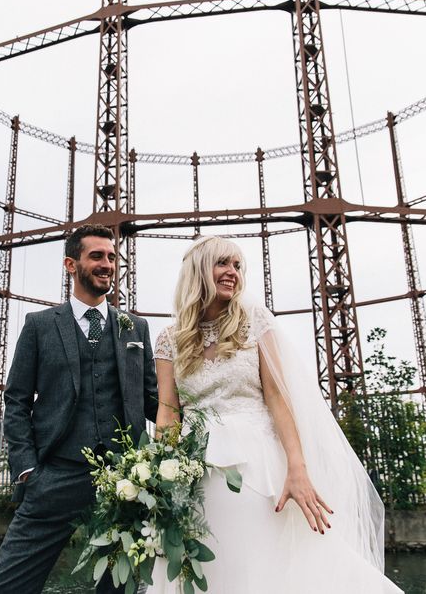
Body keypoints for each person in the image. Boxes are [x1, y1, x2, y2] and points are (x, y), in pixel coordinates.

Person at [148, 236, 402, 593]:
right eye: (223, 263)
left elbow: (279, 399)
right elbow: (168, 411)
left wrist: (297, 469)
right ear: (199, 270)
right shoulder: (169, 339)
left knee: (258, 560)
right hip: (194, 471)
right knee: (201, 563)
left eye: (237, 266)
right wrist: (159, 478)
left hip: (257, 466)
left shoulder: (254, 321)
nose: (232, 273)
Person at [0, 224, 159, 594]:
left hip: (122, 481)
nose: (107, 264)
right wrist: (27, 469)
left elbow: (153, 400)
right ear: (70, 264)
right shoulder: (40, 326)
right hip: (54, 476)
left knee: (119, 590)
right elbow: (15, 400)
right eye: (96, 256)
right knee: (6, 588)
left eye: (112, 257)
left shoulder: (135, 329)